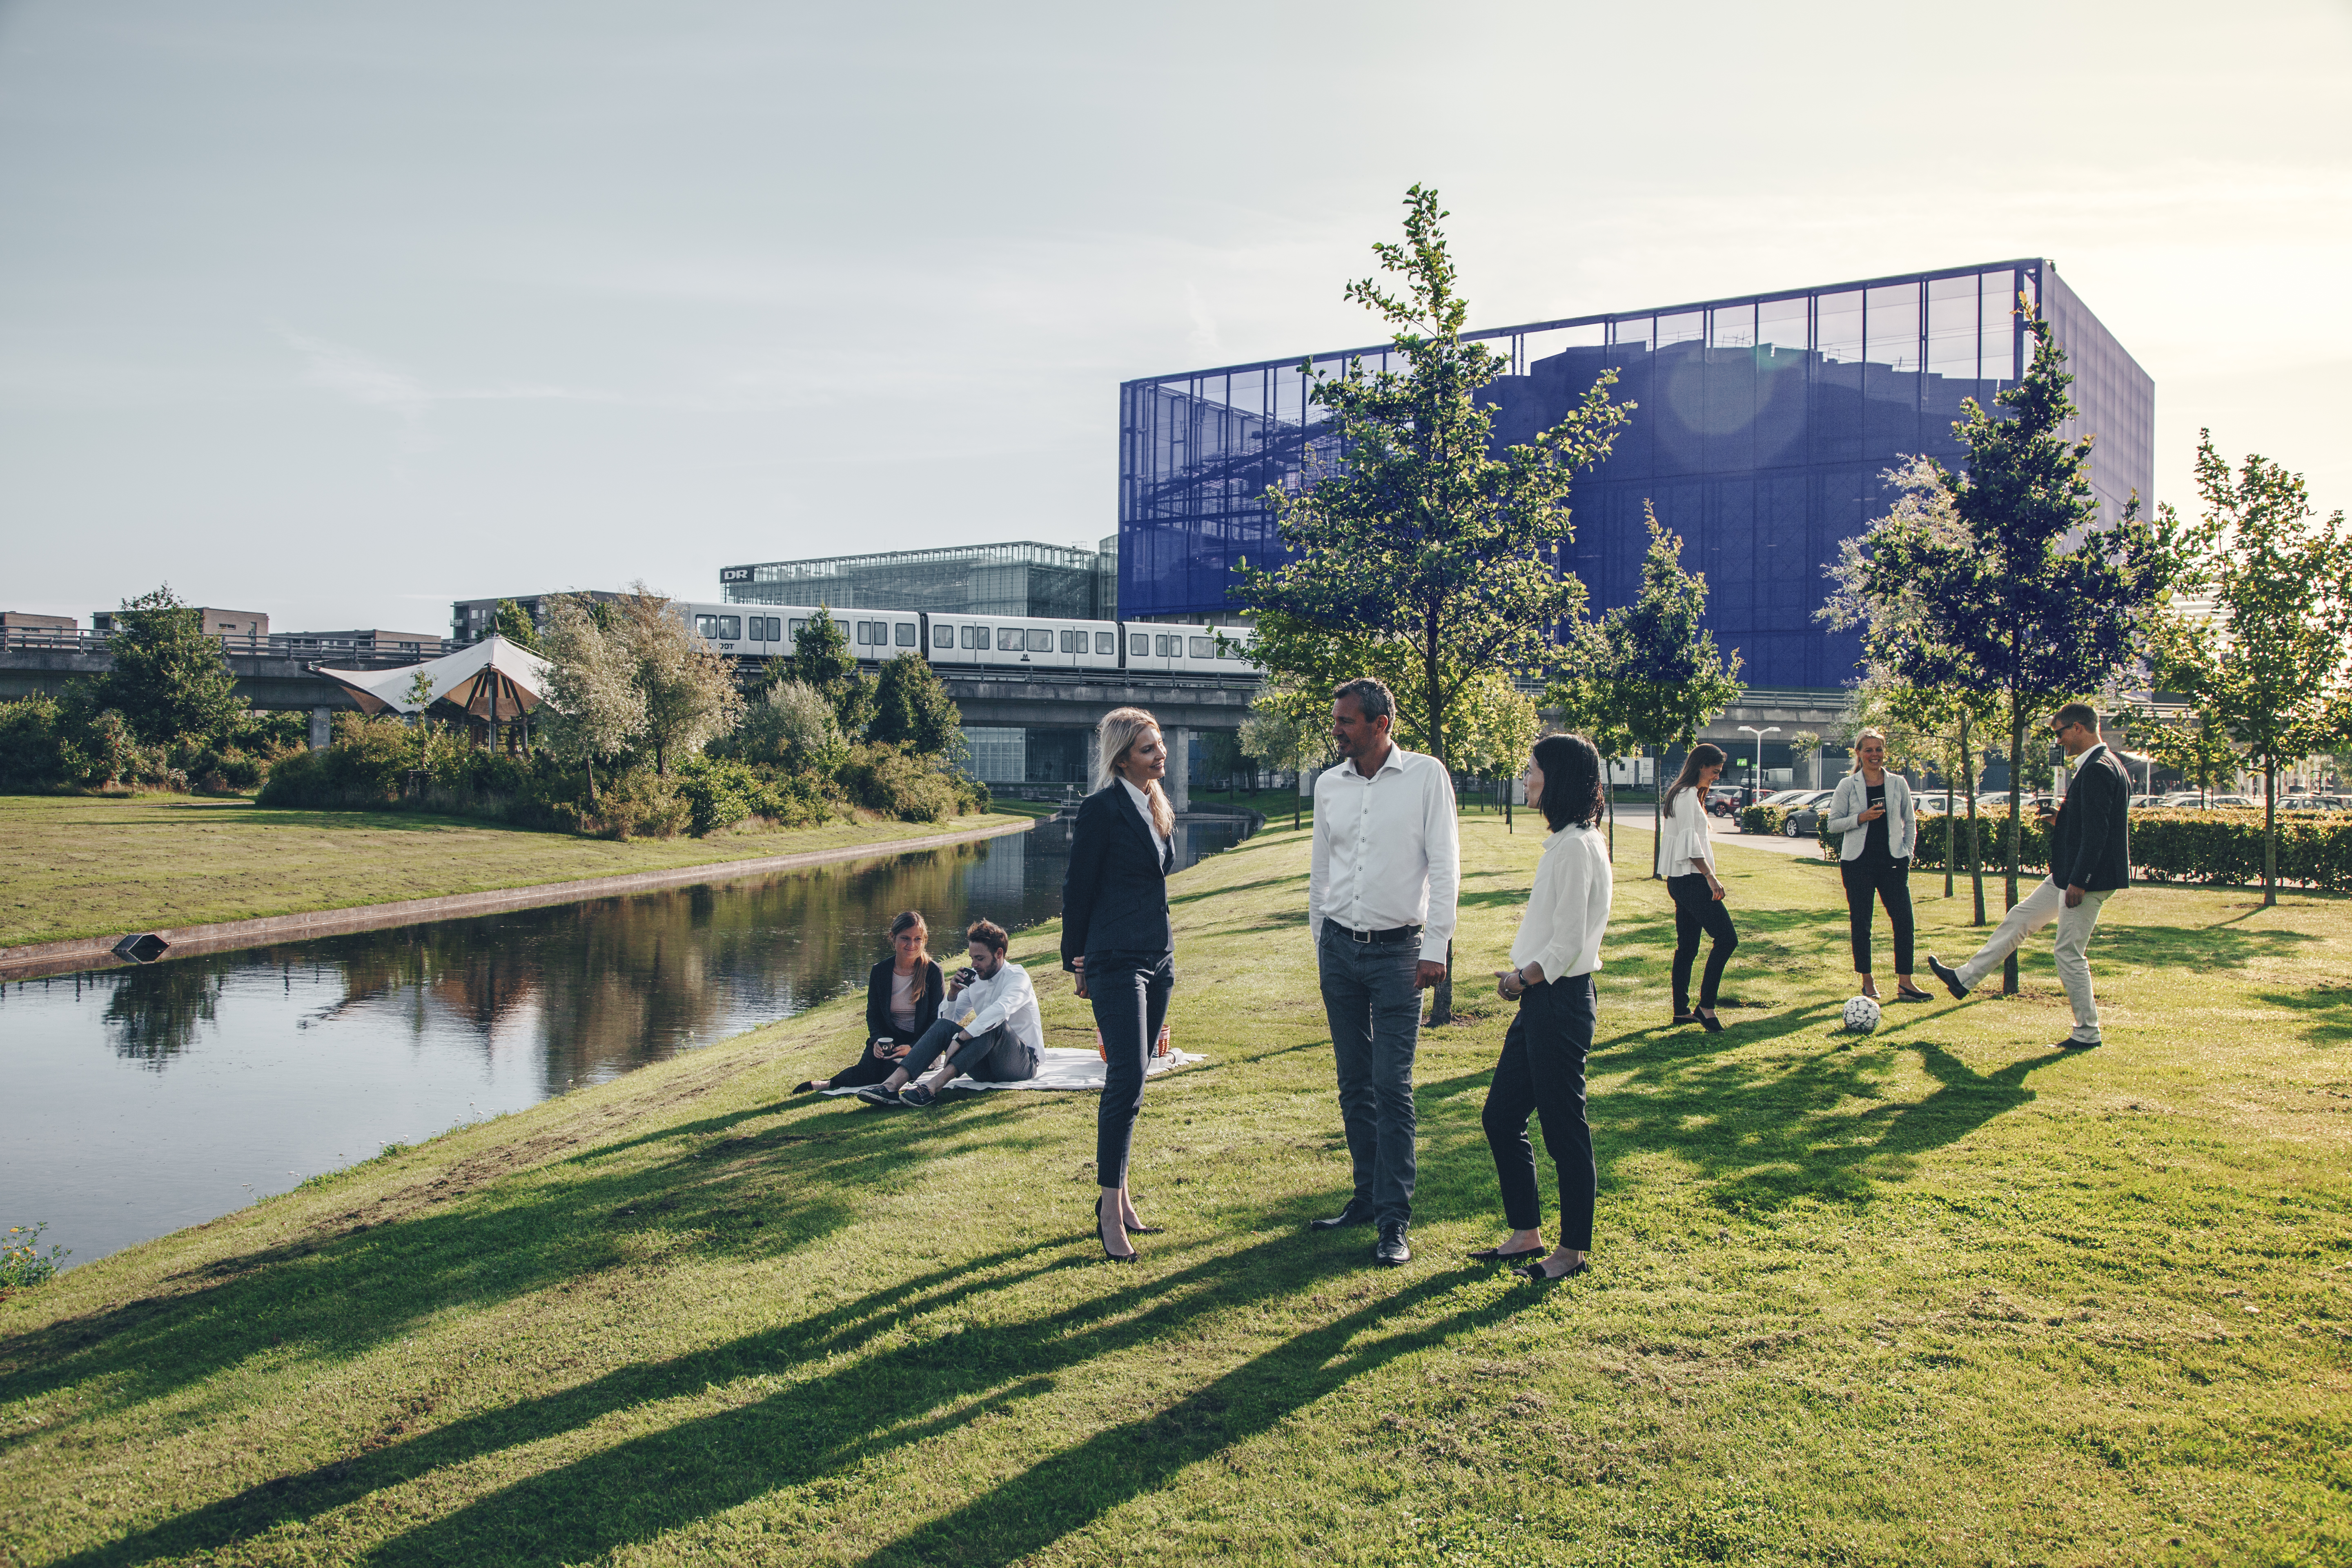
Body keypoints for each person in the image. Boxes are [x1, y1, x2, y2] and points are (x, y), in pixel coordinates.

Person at [1307, 676, 1459, 1268]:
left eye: (1346, 721)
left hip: (1401, 955)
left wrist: (1436, 946)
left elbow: (1445, 865)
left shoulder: (1426, 776)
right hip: (1339, 950)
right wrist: (1321, 939)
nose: (1337, 730)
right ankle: (1366, 1198)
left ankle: (1394, 1221)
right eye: (1336, 720)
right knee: (1354, 1084)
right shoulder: (1329, 785)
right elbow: (1322, 869)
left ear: (1380, 724)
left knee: (1391, 1087)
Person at [1476, 733, 1612, 1283]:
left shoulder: (1578, 847)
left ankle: (1572, 1250)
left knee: (1564, 1131)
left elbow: (1569, 942)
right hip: (1543, 1001)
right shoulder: (1568, 843)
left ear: (1557, 778)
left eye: (1532, 768)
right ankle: (1526, 1233)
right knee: (1501, 1116)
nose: (1525, 777)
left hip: (1558, 1001)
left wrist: (1520, 979)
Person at [1927, 703, 2132, 1047]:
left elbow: (2099, 833)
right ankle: (1964, 979)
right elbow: (2094, 822)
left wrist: (2080, 881)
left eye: (2059, 733)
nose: (2058, 741)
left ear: (2078, 728)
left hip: (2085, 879)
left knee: (2068, 952)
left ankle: (2087, 1033)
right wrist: (2062, 820)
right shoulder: (2107, 764)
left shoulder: (2098, 768)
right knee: (2020, 918)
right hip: (2070, 873)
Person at [1062, 706, 1178, 1264]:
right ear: (1122, 758)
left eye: (1159, 745)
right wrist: (1076, 960)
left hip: (1159, 958)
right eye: (1148, 748)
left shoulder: (1157, 806)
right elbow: (1077, 888)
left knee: (1137, 1079)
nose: (1160, 754)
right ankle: (1109, 1214)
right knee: (1124, 1078)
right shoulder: (1101, 810)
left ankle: (1122, 1199)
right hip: (1114, 959)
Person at [854, 919, 1041, 1104]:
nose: (974, 965)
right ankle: (890, 1086)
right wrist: (952, 995)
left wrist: (960, 1039)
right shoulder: (976, 980)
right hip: (983, 1066)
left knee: (994, 1025)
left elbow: (1000, 1011)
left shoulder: (1017, 977)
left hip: (1021, 1065)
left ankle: (931, 1087)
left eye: (980, 959)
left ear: (999, 953)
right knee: (944, 1026)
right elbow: (945, 1022)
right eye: (972, 958)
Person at [1825, 730, 1931, 1003]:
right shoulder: (1848, 785)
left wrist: (1907, 854)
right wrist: (1861, 818)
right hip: (1857, 864)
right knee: (1862, 924)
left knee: (1905, 922)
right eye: (1869, 750)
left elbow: (1910, 822)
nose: (1875, 755)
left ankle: (1906, 984)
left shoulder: (1898, 783)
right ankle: (1867, 981)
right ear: (1859, 753)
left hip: (1893, 863)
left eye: (1879, 749)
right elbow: (1833, 824)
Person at [792, 911, 943, 1094]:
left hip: (923, 1044)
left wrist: (912, 1047)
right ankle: (827, 1084)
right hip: (890, 1040)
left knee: (893, 1070)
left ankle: (831, 1084)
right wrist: (877, 1040)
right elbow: (874, 1014)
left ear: (924, 940)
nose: (912, 945)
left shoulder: (933, 972)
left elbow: (937, 1020)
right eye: (905, 938)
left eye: (917, 939)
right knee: (868, 1069)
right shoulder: (880, 971)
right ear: (893, 938)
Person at [1658, 742, 1735, 1032]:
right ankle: (1706, 1007)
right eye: (1714, 771)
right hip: (1691, 880)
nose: (1717, 777)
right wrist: (1711, 877)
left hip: (1681, 880)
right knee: (1727, 939)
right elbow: (1691, 845)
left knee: (1688, 947)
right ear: (1701, 766)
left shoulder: (1682, 793)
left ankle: (1681, 1011)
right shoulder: (1687, 795)